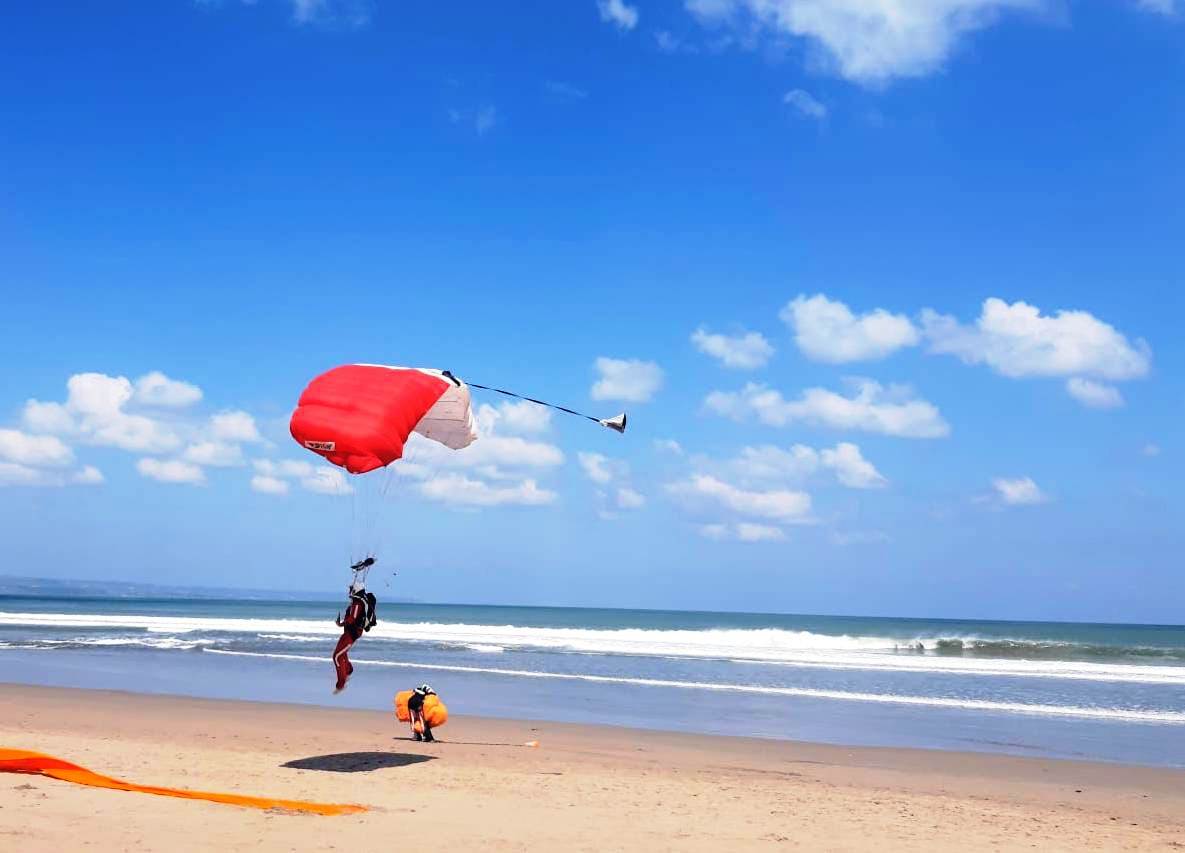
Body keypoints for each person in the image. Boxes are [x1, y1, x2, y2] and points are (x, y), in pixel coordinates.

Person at [332, 558, 377, 693]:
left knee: (336, 656)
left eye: (351, 589)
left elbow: (352, 619)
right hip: (350, 633)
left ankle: (341, 684)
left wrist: (340, 624)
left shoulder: (357, 604)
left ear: (355, 590)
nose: (349, 590)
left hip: (351, 634)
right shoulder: (359, 601)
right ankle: (349, 670)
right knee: (341, 653)